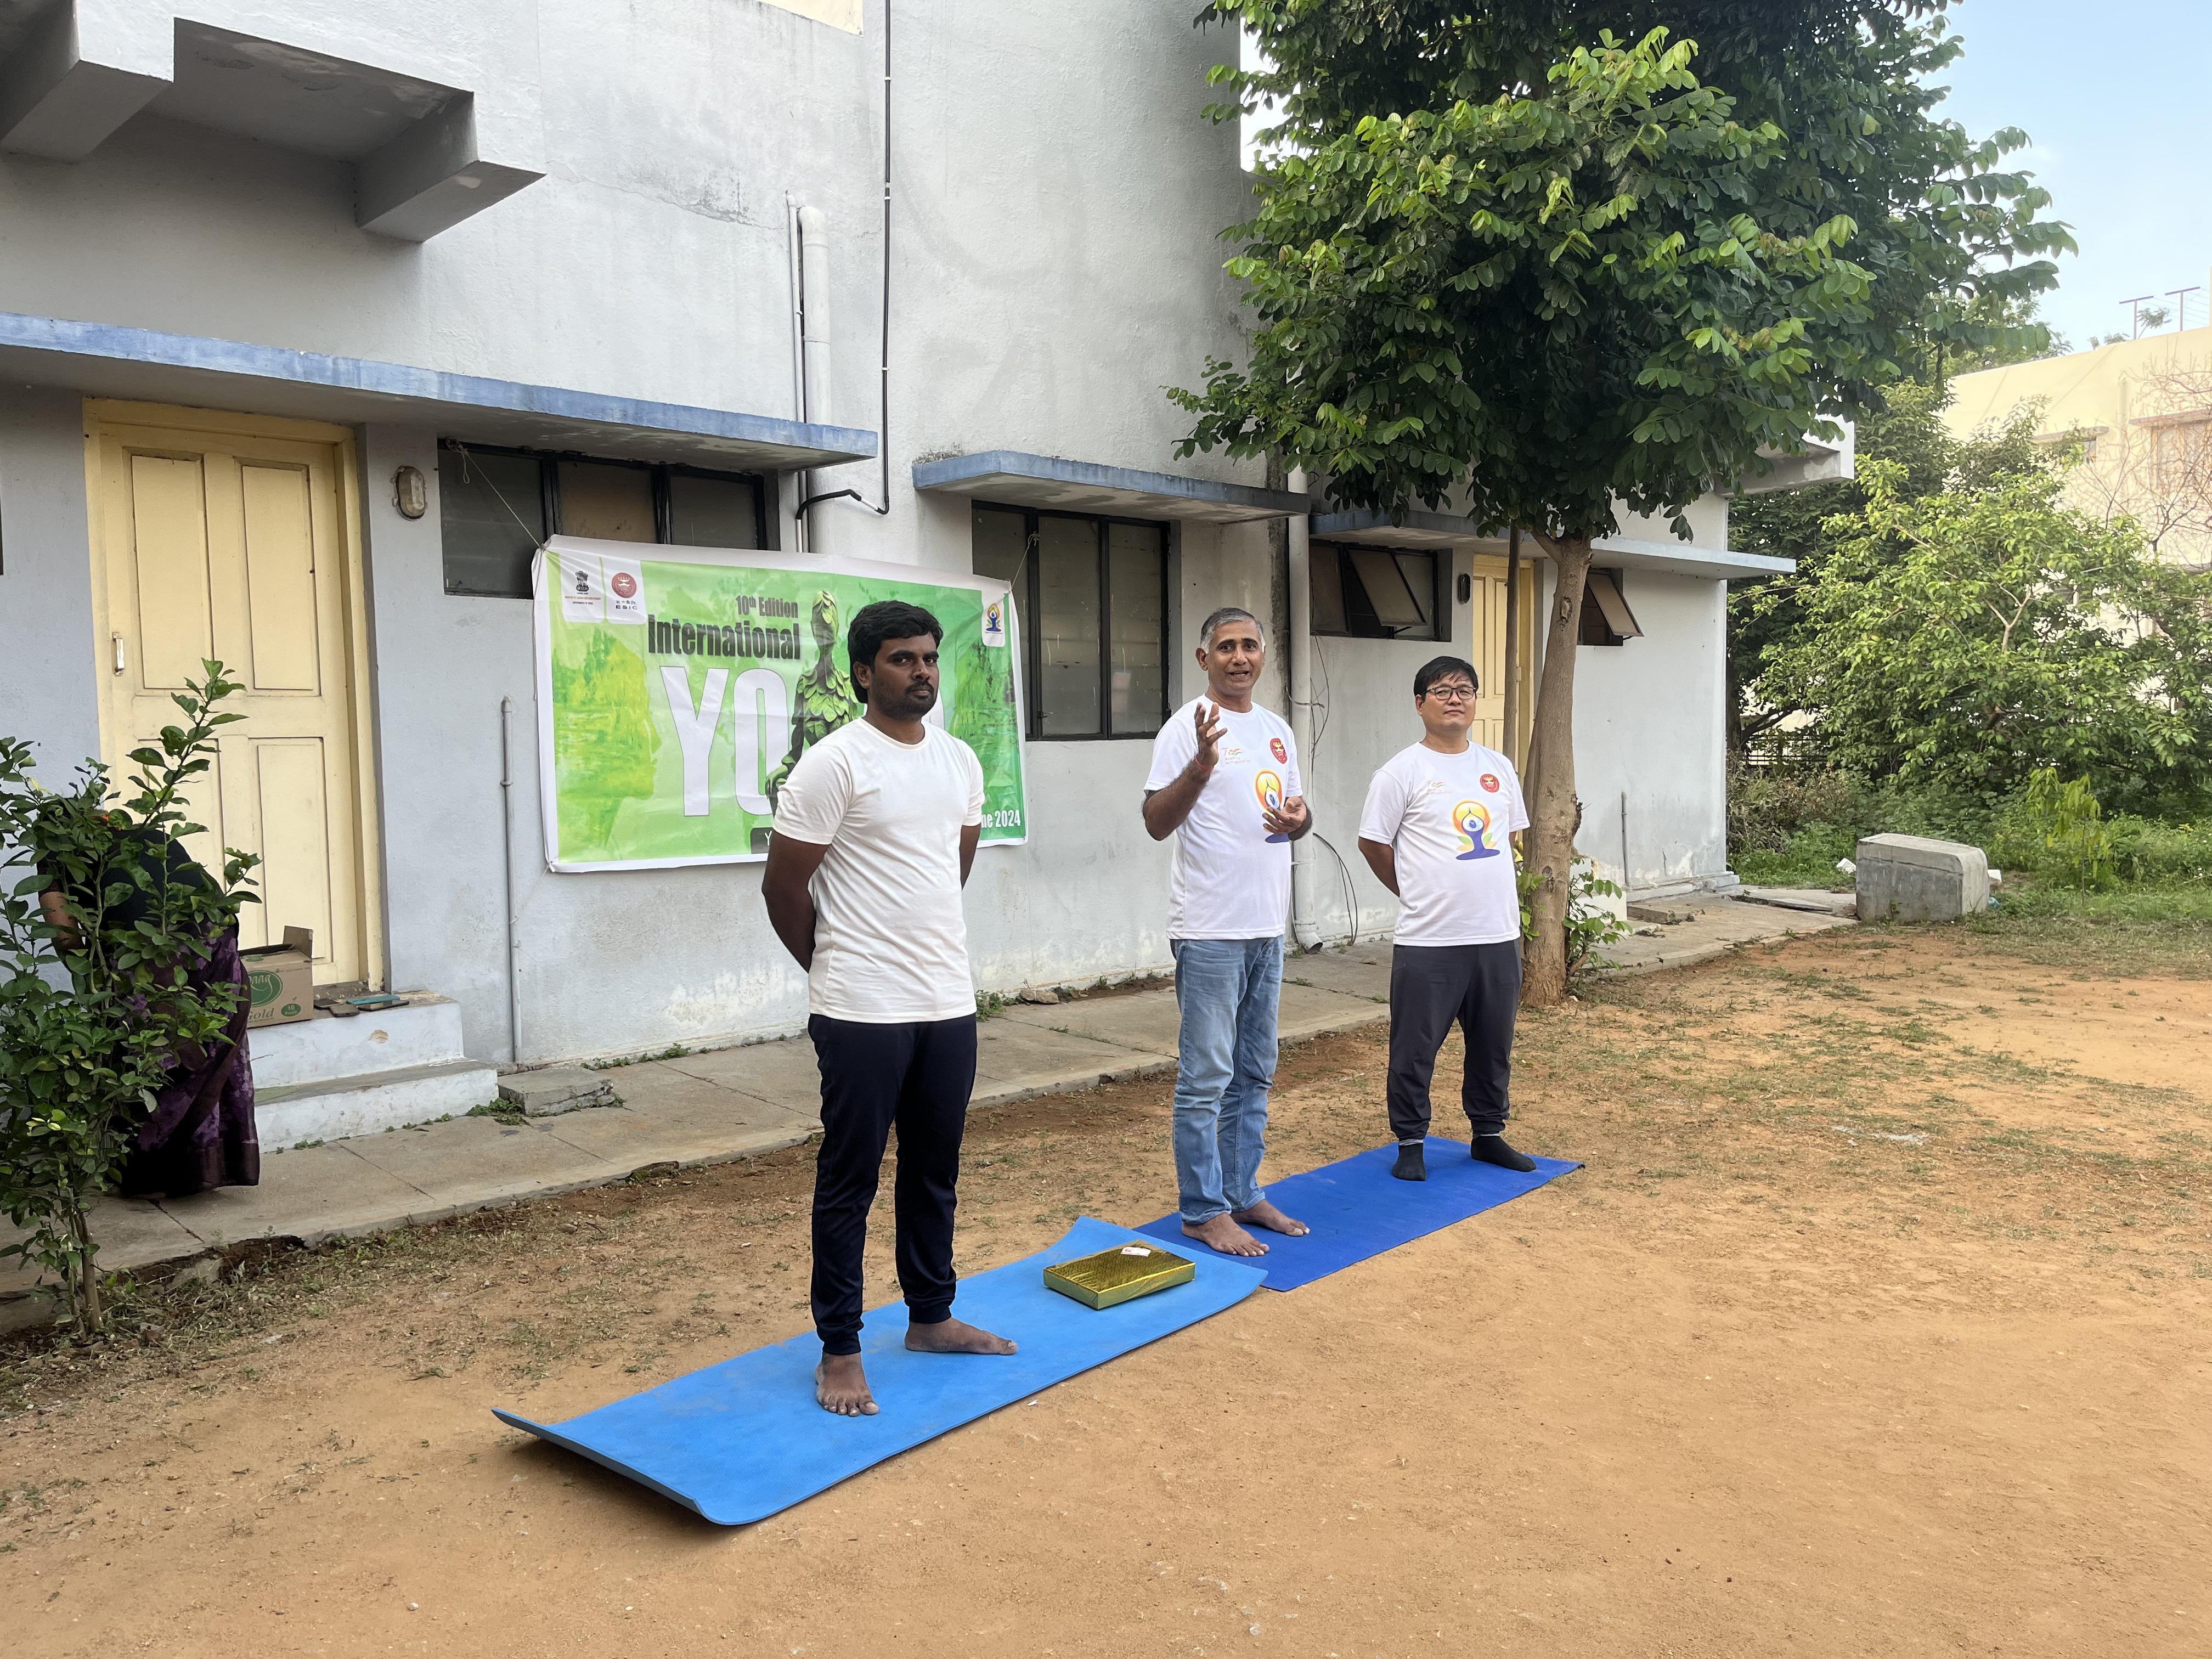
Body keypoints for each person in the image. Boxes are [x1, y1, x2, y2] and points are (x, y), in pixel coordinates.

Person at [763, 597, 1015, 1417]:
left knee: (934, 1170)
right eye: (903, 660)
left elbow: (951, 872)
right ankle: (840, 1347)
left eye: (930, 658)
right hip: (861, 1007)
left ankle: (931, 1317)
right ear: (865, 672)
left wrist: (917, 956)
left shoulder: (960, 761)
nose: (922, 673)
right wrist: (833, 965)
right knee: (850, 1178)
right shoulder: (834, 763)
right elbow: (784, 886)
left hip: (945, 1000)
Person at [1141, 606, 1313, 1257]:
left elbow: (1296, 808)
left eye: (1249, 646)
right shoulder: (1187, 726)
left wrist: (1299, 818)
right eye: (1226, 647)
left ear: (1263, 655)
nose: (1240, 657)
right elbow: (1157, 821)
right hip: (1210, 928)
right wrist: (1201, 769)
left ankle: (1242, 1192)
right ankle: (1202, 1210)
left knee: (1255, 1070)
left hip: (1267, 925)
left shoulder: (1275, 730)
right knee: (1207, 1076)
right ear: (1203, 658)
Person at [1356, 655, 1536, 1183]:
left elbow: (1507, 838)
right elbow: (1373, 843)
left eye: (1465, 689)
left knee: (1493, 1042)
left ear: (1476, 702)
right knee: (1414, 1047)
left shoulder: (1498, 767)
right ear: (1420, 704)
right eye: (1441, 690)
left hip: (1497, 934)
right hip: (1430, 939)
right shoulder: (1400, 772)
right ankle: (1411, 1140)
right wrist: (1413, 890)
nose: (1455, 698)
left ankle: (1488, 1133)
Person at [38, 817, 259, 1198]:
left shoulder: (54, 855)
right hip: (215, 937)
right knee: (213, 1048)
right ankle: (215, 1166)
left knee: (152, 1058)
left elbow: (66, 937)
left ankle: (156, 1177)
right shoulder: (149, 834)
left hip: (149, 951)